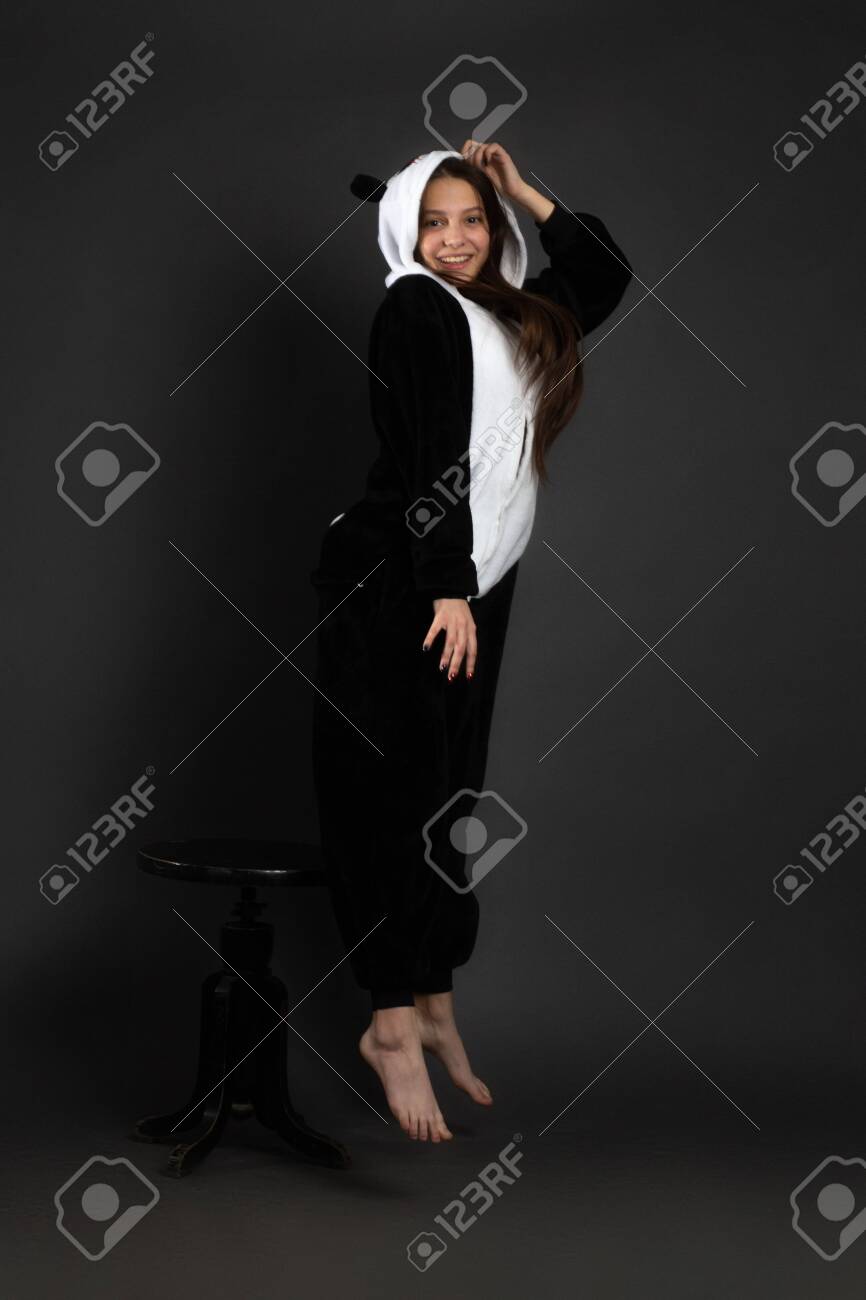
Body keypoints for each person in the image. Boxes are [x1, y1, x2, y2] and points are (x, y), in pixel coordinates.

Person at [310, 140, 632, 1141]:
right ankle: (389, 1020)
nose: (453, 239)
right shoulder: (413, 307)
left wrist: (526, 187)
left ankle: (433, 991)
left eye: (473, 221)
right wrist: (442, 586)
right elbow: (426, 451)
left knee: (448, 791)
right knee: (387, 791)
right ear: (404, 228)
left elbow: (603, 274)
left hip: (467, 584)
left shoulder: (506, 314)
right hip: (399, 585)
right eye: (435, 221)